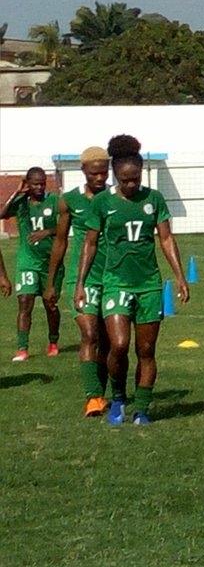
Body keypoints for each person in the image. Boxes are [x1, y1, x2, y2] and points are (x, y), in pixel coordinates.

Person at [74, 135, 190, 426]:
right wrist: (80, 283)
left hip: (149, 285)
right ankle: (118, 397)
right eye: (125, 180)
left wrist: (179, 277)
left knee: (146, 351)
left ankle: (142, 409)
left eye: (135, 179)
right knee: (120, 344)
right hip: (115, 283)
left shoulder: (153, 199)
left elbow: (165, 238)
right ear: (116, 176)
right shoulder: (102, 203)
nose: (131, 185)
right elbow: (89, 243)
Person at [45, 147, 112, 416]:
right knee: (89, 333)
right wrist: (52, 282)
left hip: (112, 275)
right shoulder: (69, 201)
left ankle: (106, 392)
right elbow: (60, 241)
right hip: (81, 277)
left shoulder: (115, 198)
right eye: (94, 172)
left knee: (108, 341)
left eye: (104, 171)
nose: (99, 177)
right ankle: (92, 396)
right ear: (83, 170)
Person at [1, 167, 63, 362]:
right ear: (28, 183)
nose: (39, 187)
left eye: (42, 183)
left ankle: (53, 341)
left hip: (50, 262)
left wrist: (47, 232)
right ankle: (22, 348)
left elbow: (64, 226)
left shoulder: (53, 201)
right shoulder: (21, 203)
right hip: (27, 261)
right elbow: (2, 214)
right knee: (24, 302)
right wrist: (16, 192)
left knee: (50, 304)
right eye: (35, 183)